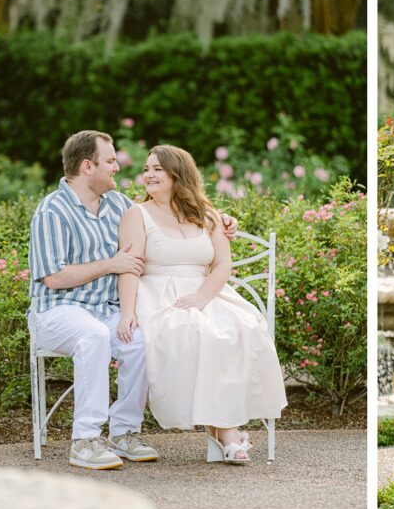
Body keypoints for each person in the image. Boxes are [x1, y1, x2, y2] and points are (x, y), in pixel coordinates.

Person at [29, 130, 235, 470]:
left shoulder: (119, 205)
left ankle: (124, 432)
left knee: (139, 340)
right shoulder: (52, 211)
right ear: (86, 166)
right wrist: (111, 264)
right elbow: (53, 277)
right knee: (92, 336)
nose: (117, 168)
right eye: (110, 161)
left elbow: (168, 212)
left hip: (105, 311)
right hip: (57, 312)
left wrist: (223, 220)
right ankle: (85, 440)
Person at [115, 145, 287, 464]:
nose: (148, 175)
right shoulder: (136, 214)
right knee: (194, 331)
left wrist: (202, 297)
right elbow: (130, 266)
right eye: (146, 169)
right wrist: (127, 314)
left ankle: (223, 430)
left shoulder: (207, 215)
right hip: (158, 295)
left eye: (157, 169)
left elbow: (222, 264)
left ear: (177, 174)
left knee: (242, 328)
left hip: (205, 291)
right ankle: (228, 434)